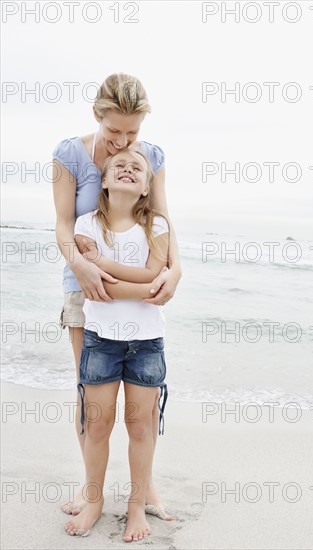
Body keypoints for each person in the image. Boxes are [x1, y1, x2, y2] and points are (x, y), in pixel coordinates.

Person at [52, 73, 181, 519]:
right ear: (96, 116)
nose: (123, 142)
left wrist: (175, 269)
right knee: (92, 398)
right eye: (114, 132)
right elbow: (64, 226)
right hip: (81, 284)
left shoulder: (150, 158)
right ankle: (93, 493)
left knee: (141, 411)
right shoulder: (69, 155)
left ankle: (145, 491)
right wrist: (83, 266)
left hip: (136, 293)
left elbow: (161, 218)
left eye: (133, 133)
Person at [65, 149, 170, 541]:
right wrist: (145, 283)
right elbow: (105, 290)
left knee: (140, 427)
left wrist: (108, 267)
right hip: (100, 341)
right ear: (104, 182)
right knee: (97, 424)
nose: (127, 169)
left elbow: (155, 273)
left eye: (137, 168)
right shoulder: (86, 224)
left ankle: (136, 506)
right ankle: (94, 500)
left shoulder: (157, 225)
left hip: (146, 344)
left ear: (146, 187)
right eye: (118, 167)